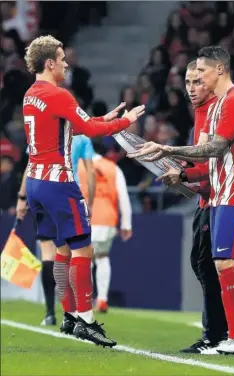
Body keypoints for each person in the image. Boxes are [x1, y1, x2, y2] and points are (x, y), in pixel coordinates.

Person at [128, 46, 234, 355]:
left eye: (200, 74)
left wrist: (169, 150)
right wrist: (183, 175)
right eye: (191, 76)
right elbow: (208, 160)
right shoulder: (215, 107)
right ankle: (232, 335)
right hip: (219, 196)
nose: (194, 81)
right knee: (219, 264)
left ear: (219, 70)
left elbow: (215, 149)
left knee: (228, 263)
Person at [22, 35, 145, 347]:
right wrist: (125, 122)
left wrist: (105, 118)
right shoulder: (58, 94)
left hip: (36, 182)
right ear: (49, 63)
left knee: (61, 250)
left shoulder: (30, 94)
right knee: (83, 249)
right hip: (58, 182)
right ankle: (87, 322)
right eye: (62, 59)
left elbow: (70, 126)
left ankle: (68, 315)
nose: (66, 64)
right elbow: (88, 131)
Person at [17, 133, 96, 327]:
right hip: (68, 194)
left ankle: (51, 313)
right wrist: (90, 204)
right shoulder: (82, 137)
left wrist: (21, 197)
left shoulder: (39, 129)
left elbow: (30, 166)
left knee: (50, 254)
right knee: (79, 253)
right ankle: (75, 313)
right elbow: (90, 172)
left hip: (40, 193)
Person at [78, 138, 133, 313]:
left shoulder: (78, 165)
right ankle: (102, 299)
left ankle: (85, 299)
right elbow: (124, 197)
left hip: (85, 217)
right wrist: (126, 224)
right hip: (107, 219)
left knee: (86, 260)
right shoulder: (113, 168)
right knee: (102, 257)